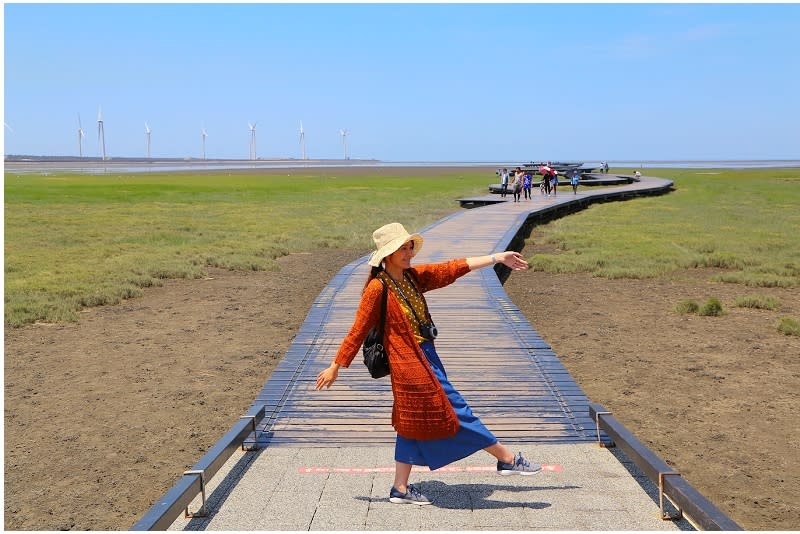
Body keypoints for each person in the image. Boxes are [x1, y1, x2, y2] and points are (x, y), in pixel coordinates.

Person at [316, 223, 542, 505]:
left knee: (409, 422)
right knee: (455, 407)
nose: (409, 251)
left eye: (410, 246)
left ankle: (400, 488)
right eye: (403, 247)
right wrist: (336, 365)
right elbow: (358, 329)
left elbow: (450, 269)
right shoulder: (377, 288)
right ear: (387, 254)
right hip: (409, 365)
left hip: (427, 355)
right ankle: (506, 459)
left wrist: (496, 258)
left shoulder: (411, 277)